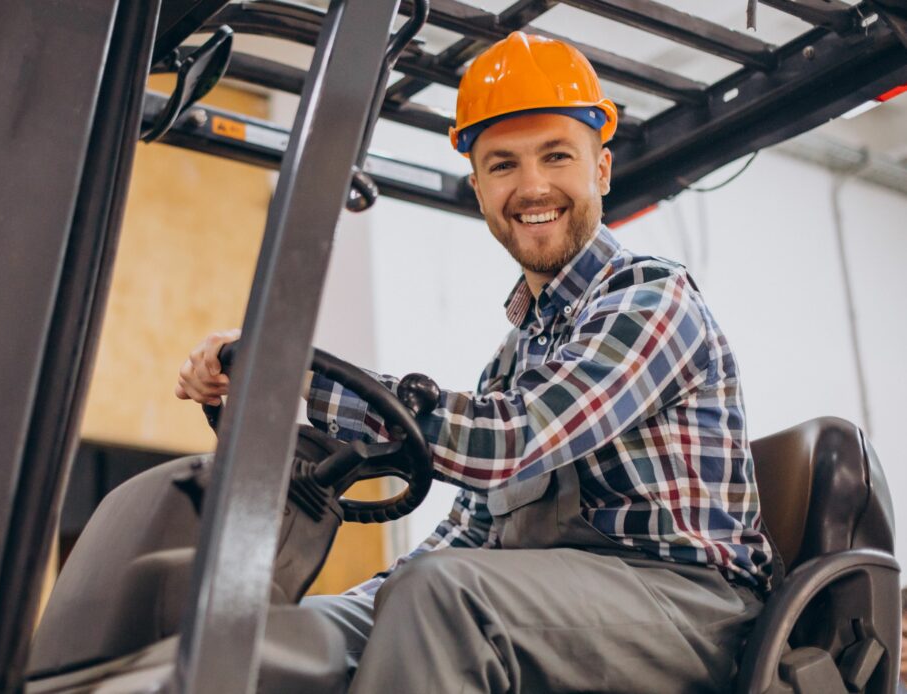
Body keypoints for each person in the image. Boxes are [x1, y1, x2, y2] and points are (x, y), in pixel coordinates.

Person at [176, 31, 773, 693]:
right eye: (504, 165)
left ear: (600, 169)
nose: (532, 186)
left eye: (556, 156)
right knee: (290, 637)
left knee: (443, 599)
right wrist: (334, 614)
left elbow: (512, 440)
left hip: (689, 612)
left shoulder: (650, 300)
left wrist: (290, 372)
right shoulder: (514, 359)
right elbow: (472, 532)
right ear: (481, 189)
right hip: (549, 604)